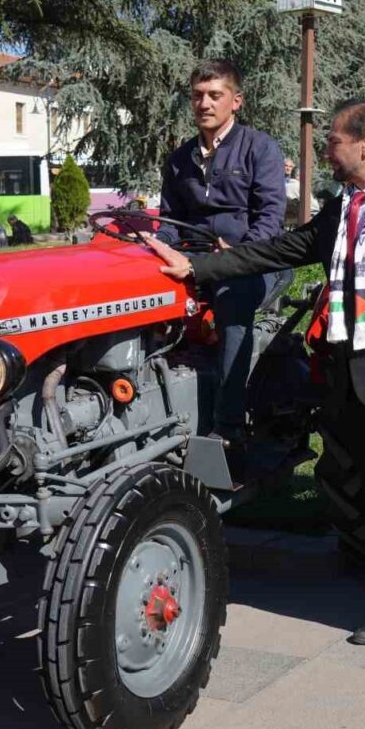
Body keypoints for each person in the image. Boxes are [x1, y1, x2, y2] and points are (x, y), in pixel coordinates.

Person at [147, 101, 365, 670]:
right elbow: (281, 249)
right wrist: (197, 269)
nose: (326, 152)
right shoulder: (343, 209)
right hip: (351, 383)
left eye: (334, 142)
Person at [156, 60, 285, 447]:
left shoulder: (259, 148)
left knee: (233, 297)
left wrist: (238, 255)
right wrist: (156, 247)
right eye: (198, 96)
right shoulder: (180, 159)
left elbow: (270, 218)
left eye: (215, 95)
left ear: (236, 101)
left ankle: (227, 426)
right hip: (196, 260)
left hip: (255, 261)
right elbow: (170, 222)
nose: (205, 103)